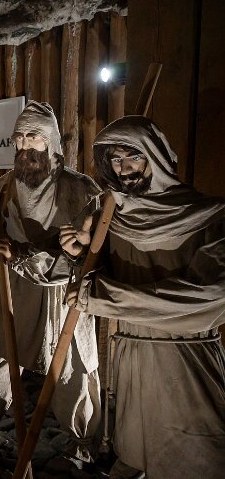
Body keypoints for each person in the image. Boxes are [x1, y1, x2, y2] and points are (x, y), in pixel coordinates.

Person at [63, 115, 225, 478]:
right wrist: (82, 253)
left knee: (198, 454)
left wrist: (105, 299)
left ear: (155, 155)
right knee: (135, 448)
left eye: (132, 157)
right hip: (132, 354)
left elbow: (210, 298)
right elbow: (93, 282)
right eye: (115, 160)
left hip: (186, 357)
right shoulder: (112, 218)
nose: (123, 169)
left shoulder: (208, 217)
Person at [0, 101, 102, 466]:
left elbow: (97, 253)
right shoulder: (3, 186)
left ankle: (79, 443)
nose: (24, 146)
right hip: (19, 292)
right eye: (19, 138)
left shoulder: (81, 190)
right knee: (0, 359)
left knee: (73, 366)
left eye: (33, 137)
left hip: (68, 294)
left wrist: (68, 253)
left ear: (50, 142)